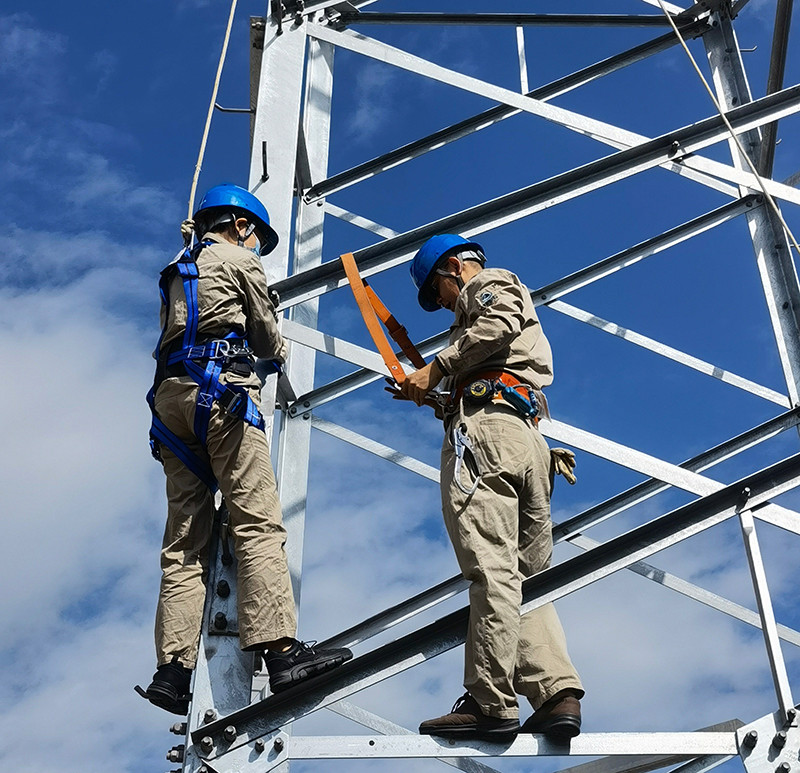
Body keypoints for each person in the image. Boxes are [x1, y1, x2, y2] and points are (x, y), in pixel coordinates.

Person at [141, 184, 351, 715]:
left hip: (171, 405)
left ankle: (172, 670)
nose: (257, 246)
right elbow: (264, 335)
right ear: (240, 225)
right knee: (255, 521)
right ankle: (282, 652)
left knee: (184, 543)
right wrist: (276, 354)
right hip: (225, 395)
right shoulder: (238, 258)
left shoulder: (176, 271)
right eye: (257, 236)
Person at [399, 234, 584, 741]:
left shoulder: (486, 283)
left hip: (489, 437)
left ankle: (490, 702)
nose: (440, 304)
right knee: (528, 576)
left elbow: (495, 326)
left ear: (454, 267)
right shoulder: (491, 309)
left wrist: (436, 368)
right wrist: (434, 393)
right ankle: (555, 692)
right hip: (525, 438)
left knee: (491, 570)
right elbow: (493, 374)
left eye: (436, 292)